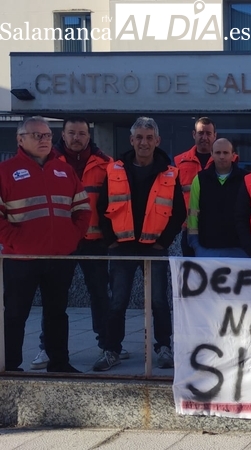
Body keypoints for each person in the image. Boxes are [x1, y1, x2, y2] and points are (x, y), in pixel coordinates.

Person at [29, 117, 128, 371]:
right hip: (61, 241)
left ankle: (108, 346)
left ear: (89, 135)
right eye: (71, 133)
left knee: (100, 294)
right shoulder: (47, 162)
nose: (77, 137)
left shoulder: (105, 163)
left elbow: (114, 201)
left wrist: (111, 236)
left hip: (95, 241)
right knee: (54, 297)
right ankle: (47, 348)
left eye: (82, 133)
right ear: (62, 135)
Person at [94, 117, 186, 371]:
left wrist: (163, 242)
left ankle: (164, 347)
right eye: (139, 138)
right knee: (117, 301)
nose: (144, 142)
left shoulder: (170, 172)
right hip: (122, 247)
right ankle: (111, 350)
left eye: (149, 138)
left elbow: (179, 211)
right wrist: (111, 241)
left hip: (154, 247)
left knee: (159, 301)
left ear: (157, 141)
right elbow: (102, 207)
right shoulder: (115, 170)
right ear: (131, 140)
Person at [1, 116, 91, 372]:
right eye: (37, 135)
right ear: (20, 139)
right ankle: (9, 366)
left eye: (47, 135)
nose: (44, 140)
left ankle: (59, 363)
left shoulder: (64, 170)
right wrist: (17, 242)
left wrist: (71, 238)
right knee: (15, 313)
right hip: (21, 259)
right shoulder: (5, 171)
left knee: (57, 313)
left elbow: (82, 208)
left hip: (59, 257)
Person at [187, 138, 247, 257]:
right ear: (212, 154)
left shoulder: (246, 179)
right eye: (218, 152)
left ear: (233, 155)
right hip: (207, 249)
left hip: (240, 249)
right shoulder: (200, 179)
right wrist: (195, 244)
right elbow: (193, 213)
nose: (222, 156)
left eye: (226, 153)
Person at [174, 117, 217, 257]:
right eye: (200, 133)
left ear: (215, 135)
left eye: (208, 133)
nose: (204, 137)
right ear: (194, 134)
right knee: (189, 269)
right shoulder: (180, 162)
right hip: (187, 229)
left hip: (216, 227)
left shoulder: (226, 161)